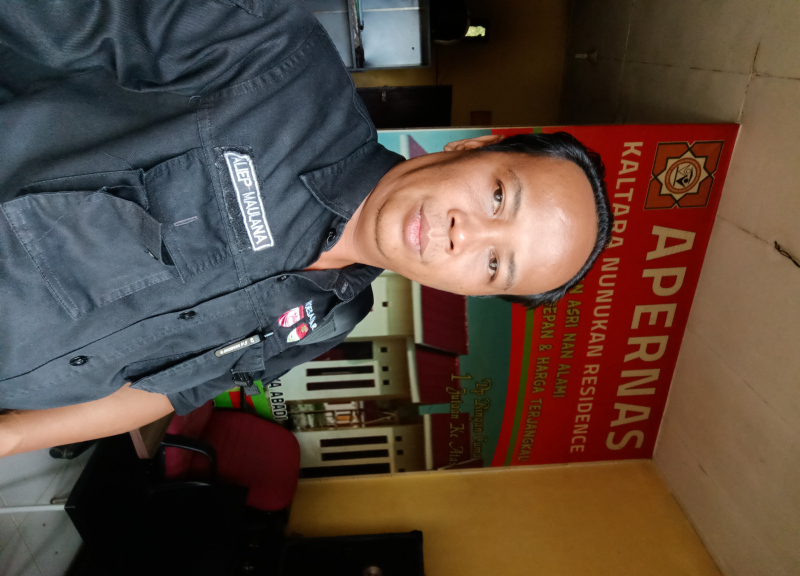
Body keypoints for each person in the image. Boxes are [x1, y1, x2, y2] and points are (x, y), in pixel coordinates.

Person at [0, 0, 612, 457]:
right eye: (499, 197)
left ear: (473, 293)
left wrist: (13, 437)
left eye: (495, 265)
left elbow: (169, 392)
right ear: (473, 148)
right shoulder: (270, 57)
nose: (465, 235)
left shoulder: (334, 317)